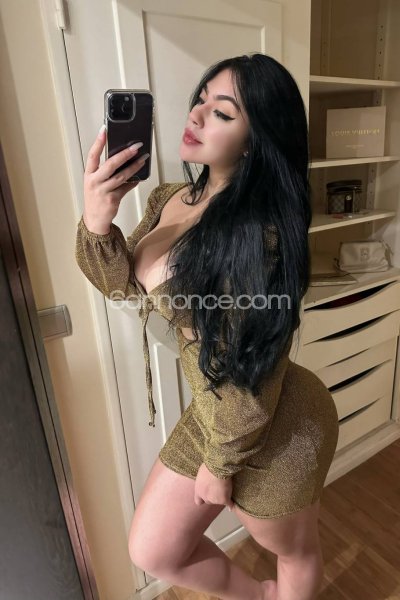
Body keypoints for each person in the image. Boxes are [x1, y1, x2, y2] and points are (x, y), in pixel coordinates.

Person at [75, 53, 339, 600]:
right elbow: (122, 287)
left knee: (294, 551)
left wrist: (221, 465)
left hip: (272, 419)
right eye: (200, 100)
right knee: (153, 549)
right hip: (215, 409)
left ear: (256, 140)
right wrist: (99, 221)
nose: (194, 116)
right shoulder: (169, 198)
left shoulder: (258, 237)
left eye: (222, 112)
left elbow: (255, 366)